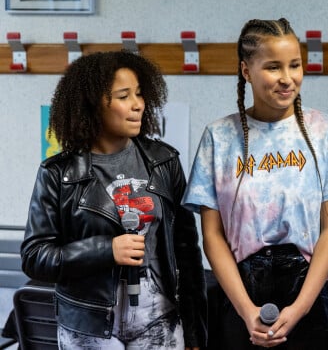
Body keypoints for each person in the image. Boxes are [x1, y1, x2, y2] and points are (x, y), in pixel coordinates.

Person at [182, 18, 328, 350]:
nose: (287, 79)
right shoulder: (219, 137)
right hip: (240, 291)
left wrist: (301, 307)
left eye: (295, 65)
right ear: (246, 71)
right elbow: (212, 236)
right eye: (273, 67)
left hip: (311, 289)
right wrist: (245, 310)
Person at [21, 51, 208, 350]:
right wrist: (104, 250)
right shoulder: (58, 173)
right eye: (124, 96)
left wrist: (196, 331)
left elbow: (186, 252)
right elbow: (35, 256)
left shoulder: (164, 161)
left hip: (159, 318)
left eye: (139, 93)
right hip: (88, 324)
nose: (138, 104)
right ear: (94, 105)